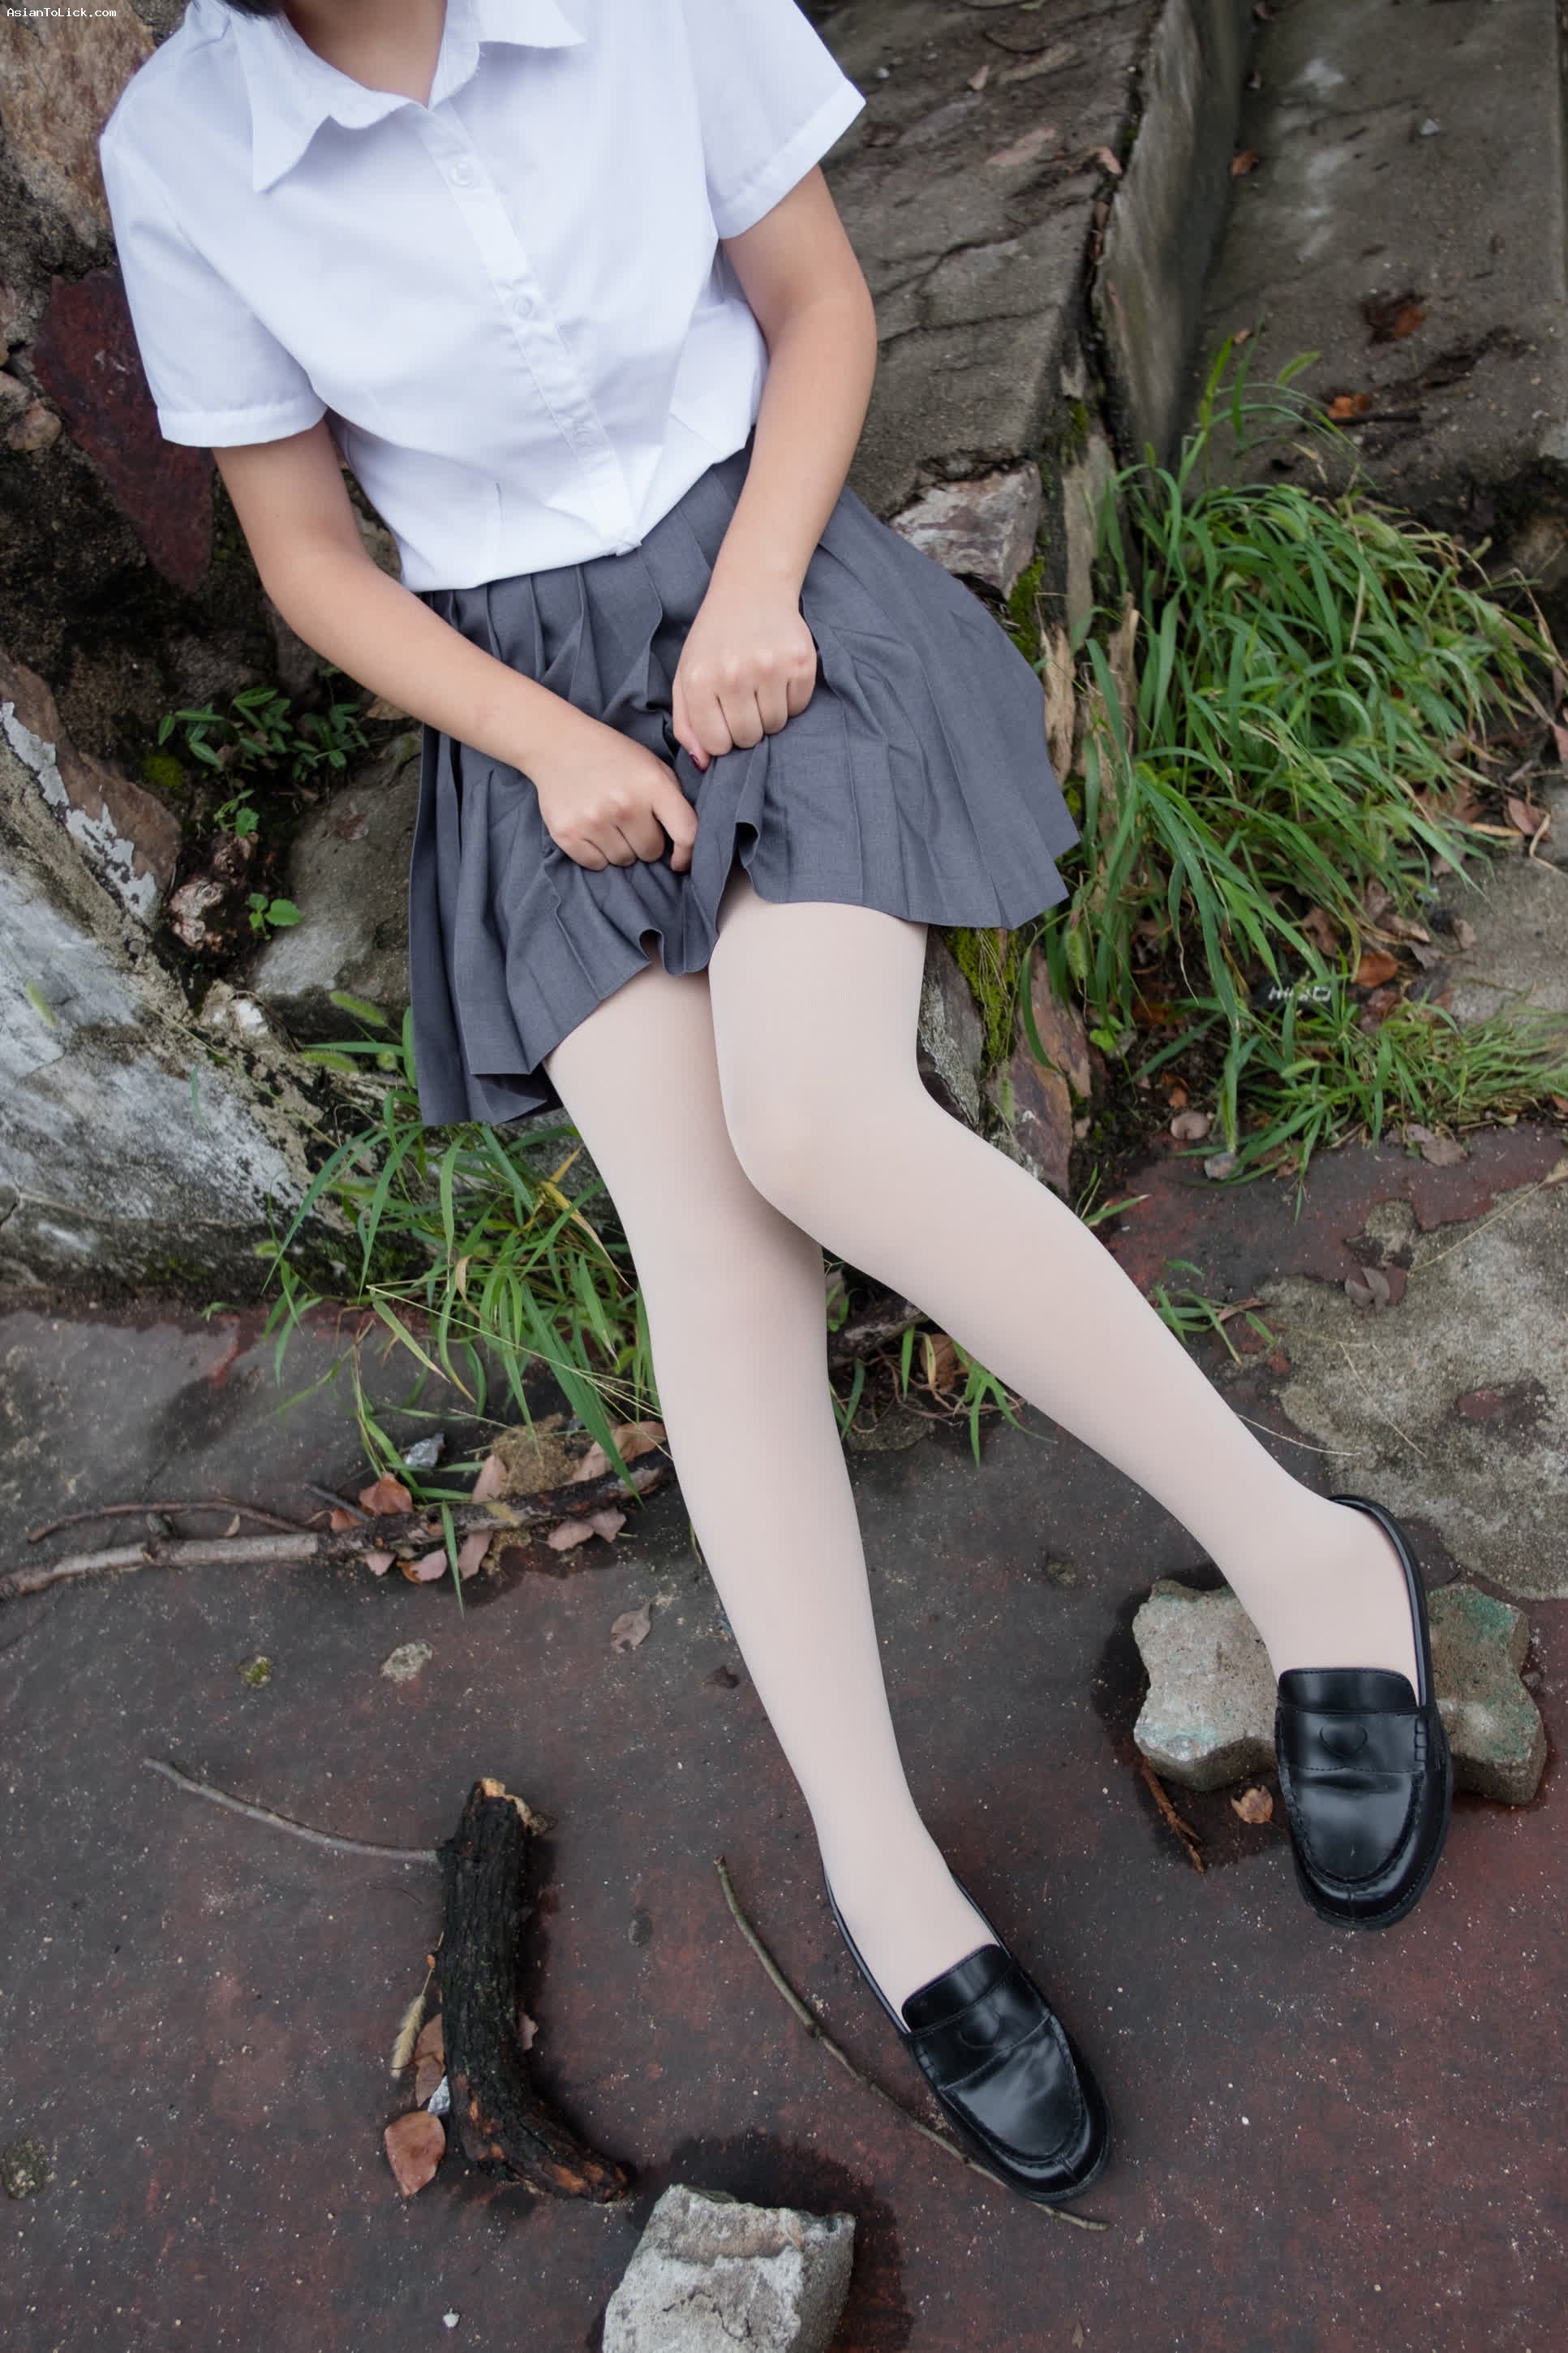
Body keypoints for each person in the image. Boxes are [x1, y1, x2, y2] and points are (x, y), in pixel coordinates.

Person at [99, 0, 1452, 2209]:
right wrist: (546, 742)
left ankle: (1314, 1563)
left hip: (776, 571)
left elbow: (817, 301)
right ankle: (880, 1858)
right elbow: (312, 555)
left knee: (810, 1116)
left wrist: (746, 601)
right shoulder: (189, 143)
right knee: (710, 1248)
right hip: (519, 697)